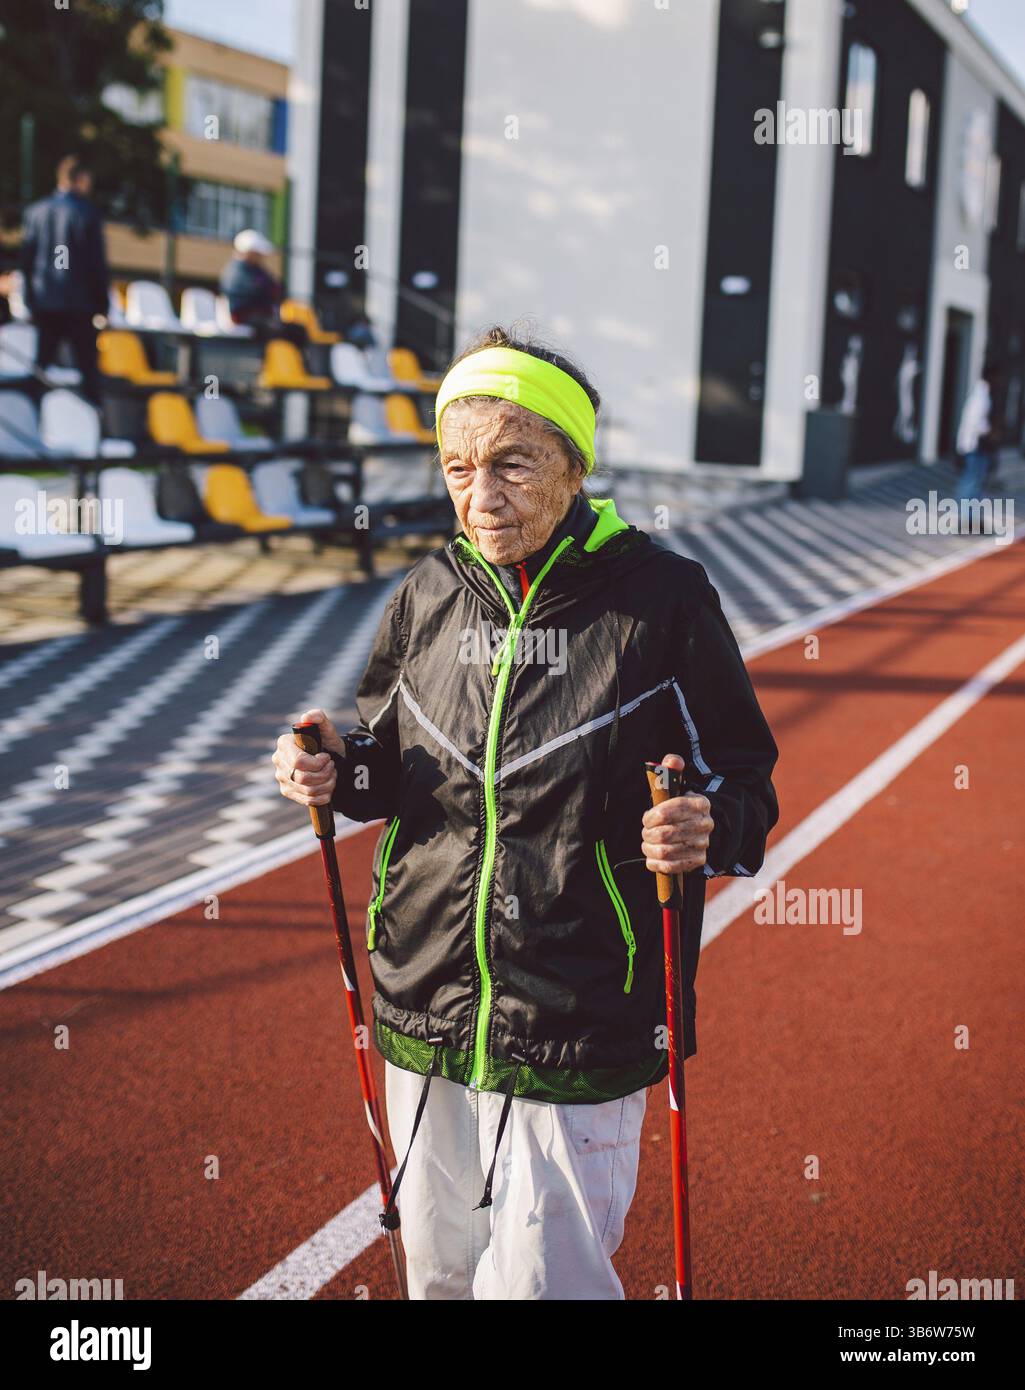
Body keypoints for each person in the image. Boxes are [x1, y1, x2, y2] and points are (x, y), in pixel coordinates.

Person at [273, 325, 779, 1300]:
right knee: (439, 1274)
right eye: (457, 467)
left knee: (548, 1283)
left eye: (511, 463)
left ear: (575, 464)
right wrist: (336, 771)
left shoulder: (661, 600)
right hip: (424, 996)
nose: (480, 495)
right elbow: (388, 770)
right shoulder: (426, 593)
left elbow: (745, 777)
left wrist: (709, 822)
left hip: (579, 1006)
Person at [19, 154, 109, 405]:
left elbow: (26, 261)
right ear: (80, 179)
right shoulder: (87, 214)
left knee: (40, 367)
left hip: (45, 303)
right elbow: (96, 264)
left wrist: (29, 300)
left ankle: (31, 418)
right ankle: (95, 425)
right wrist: (102, 305)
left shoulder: (36, 212)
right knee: (89, 371)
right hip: (79, 306)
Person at [219, 229, 305, 346]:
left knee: (297, 329)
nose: (261, 257)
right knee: (288, 331)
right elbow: (249, 296)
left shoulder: (255, 270)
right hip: (245, 319)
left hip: (260, 317)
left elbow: (275, 287)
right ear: (249, 252)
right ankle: (273, 362)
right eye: (258, 254)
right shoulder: (236, 271)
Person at [955, 361, 1003, 500]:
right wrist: (991, 433)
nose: (999, 380)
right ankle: (966, 518)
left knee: (975, 484)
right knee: (971, 484)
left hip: (979, 447)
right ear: (990, 376)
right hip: (975, 447)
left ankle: (970, 518)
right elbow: (975, 421)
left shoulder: (984, 392)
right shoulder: (981, 395)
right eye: (997, 376)